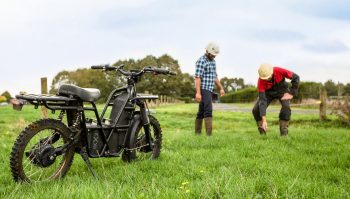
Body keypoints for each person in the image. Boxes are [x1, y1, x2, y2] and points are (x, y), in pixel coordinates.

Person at [252, 63, 300, 136]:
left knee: (286, 107)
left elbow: (296, 77)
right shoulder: (260, 81)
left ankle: (284, 134)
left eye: (268, 77)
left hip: (282, 91)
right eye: (264, 78)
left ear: (272, 73)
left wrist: (291, 93)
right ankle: (262, 130)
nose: (266, 79)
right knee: (256, 110)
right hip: (268, 93)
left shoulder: (278, 70)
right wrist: (264, 120)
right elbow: (262, 101)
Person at [194, 42, 225, 136]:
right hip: (204, 89)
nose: (214, 56)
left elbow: (214, 76)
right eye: (212, 54)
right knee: (208, 110)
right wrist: (198, 93)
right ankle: (209, 136)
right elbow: (197, 77)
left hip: (209, 89)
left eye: (215, 55)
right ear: (207, 51)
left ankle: (197, 134)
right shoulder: (201, 61)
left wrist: (221, 88)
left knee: (201, 112)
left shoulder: (213, 61)